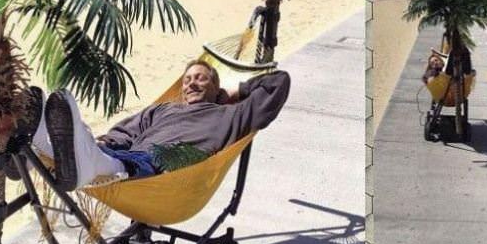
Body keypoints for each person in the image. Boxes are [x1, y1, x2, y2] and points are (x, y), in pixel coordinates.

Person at [27, 60, 290, 190]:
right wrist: (105, 143)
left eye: (200, 78)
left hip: (166, 173)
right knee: (99, 148)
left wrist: (235, 91)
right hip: (127, 159)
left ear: (216, 87)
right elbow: (127, 131)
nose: (191, 84)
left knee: (137, 160)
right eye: (187, 80)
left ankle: (75, 155)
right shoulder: (165, 108)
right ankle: (40, 148)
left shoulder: (233, 115)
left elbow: (279, 82)